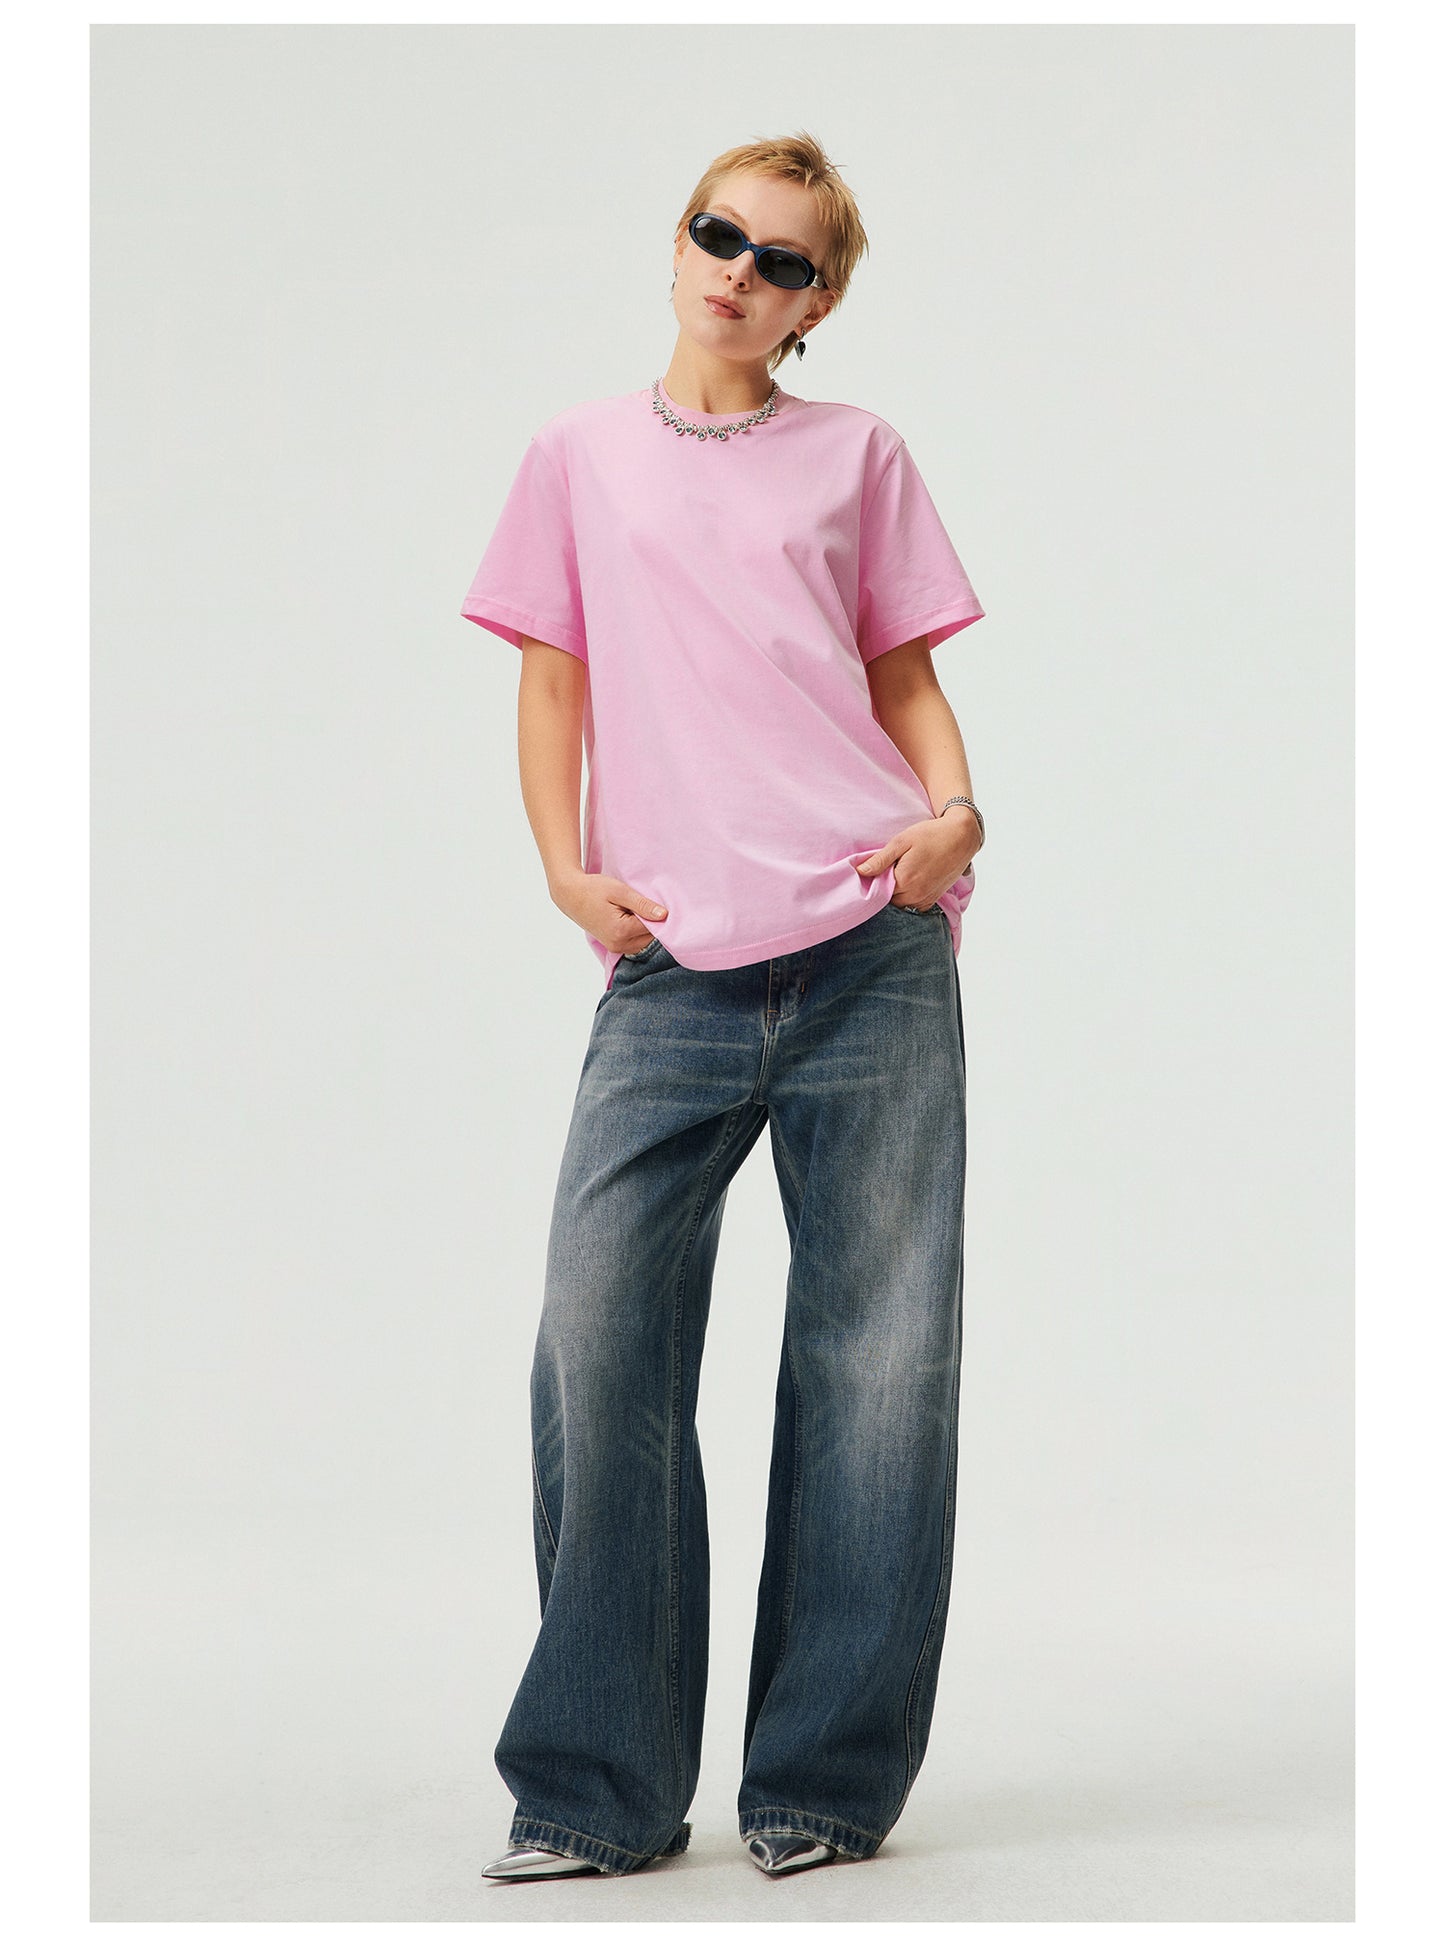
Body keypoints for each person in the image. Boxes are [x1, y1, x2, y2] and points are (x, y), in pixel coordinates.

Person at [460, 133, 988, 1883]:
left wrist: (954, 815)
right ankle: (596, 1789)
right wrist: (563, 871)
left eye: (782, 262)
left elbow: (903, 677)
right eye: (718, 236)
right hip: (669, 964)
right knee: (597, 1343)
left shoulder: (860, 455)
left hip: (868, 944)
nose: (738, 275)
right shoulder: (576, 456)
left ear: (817, 301)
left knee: (877, 1367)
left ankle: (820, 1783)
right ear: (676, 240)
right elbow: (553, 683)